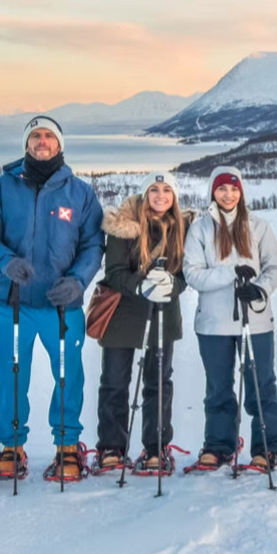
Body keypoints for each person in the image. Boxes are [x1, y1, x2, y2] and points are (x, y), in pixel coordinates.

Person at [0, 116, 105, 480]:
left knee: (67, 376)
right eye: (35, 136)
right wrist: (6, 262)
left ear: (60, 144)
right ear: (27, 144)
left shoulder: (80, 193)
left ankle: (67, 447)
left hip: (62, 307)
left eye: (48, 136)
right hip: (13, 303)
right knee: (10, 375)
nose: (42, 141)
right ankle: (11, 447)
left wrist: (78, 281)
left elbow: (94, 244)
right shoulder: (2, 188)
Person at [184, 167, 277, 470]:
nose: (228, 195)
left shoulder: (258, 227)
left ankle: (266, 446)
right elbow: (192, 273)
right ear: (212, 193)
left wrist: (259, 289)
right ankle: (218, 445)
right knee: (218, 388)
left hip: (254, 321)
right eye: (221, 189)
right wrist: (230, 273)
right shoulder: (201, 228)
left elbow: (275, 267)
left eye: (233, 189)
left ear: (241, 192)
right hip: (213, 323)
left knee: (261, 384)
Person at [94, 172, 193, 473]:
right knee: (114, 382)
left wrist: (172, 285)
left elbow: (186, 273)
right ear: (145, 193)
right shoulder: (125, 225)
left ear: (174, 196)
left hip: (163, 312)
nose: (160, 196)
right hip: (123, 311)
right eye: (154, 189)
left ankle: (156, 447)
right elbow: (114, 271)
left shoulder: (182, 228)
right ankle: (111, 447)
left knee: (158, 383)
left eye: (166, 190)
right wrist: (140, 285)